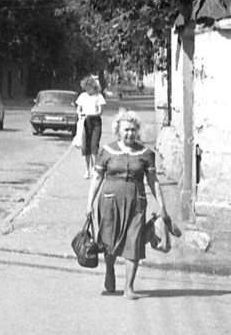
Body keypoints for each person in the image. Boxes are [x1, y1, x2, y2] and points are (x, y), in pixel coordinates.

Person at [86, 110, 178, 300]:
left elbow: (153, 181)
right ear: (118, 131)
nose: (130, 133)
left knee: (134, 242)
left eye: (133, 130)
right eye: (126, 130)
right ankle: (110, 271)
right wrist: (89, 204)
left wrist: (162, 207)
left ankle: (129, 287)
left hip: (137, 202)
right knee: (109, 240)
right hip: (110, 201)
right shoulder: (107, 151)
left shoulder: (145, 154)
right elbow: (96, 178)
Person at [75, 75, 106, 179]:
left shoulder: (98, 96)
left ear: (94, 87)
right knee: (86, 146)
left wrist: (92, 114)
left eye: (90, 88)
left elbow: (100, 111)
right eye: (86, 88)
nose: (88, 90)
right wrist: (80, 113)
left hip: (95, 122)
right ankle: (87, 169)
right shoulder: (82, 96)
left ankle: (94, 168)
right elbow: (78, 109)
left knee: (94, 145)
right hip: (84, 122)